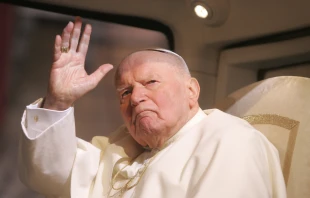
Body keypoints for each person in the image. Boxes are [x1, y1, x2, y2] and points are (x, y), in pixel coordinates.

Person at [19, 18, 286, 198]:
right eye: (125, 92)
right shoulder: (119, 145)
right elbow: (50, 174)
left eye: (151, 82)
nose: (136, 98)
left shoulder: (229, 141)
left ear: (191, 90)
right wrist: (59, 101)